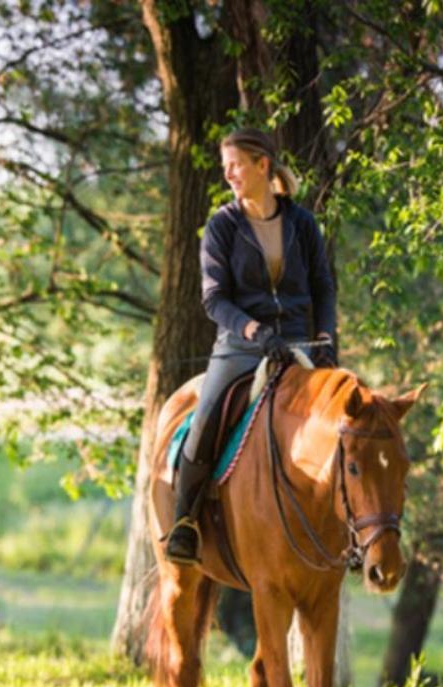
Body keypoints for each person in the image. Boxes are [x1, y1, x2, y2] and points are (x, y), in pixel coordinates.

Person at [164, 128, 338, 566]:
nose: (229, 174)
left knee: (350, 422)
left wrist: (327, 337)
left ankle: (350, 529)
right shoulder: (222, 226)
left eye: (236, 164)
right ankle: (185, 521)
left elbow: (322, 286)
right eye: (225, 167)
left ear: (263, 165)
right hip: (242, 346)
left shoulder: (302, 223)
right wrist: (257, 332)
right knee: (204, 418)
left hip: (302, 343)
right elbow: (214, 299)